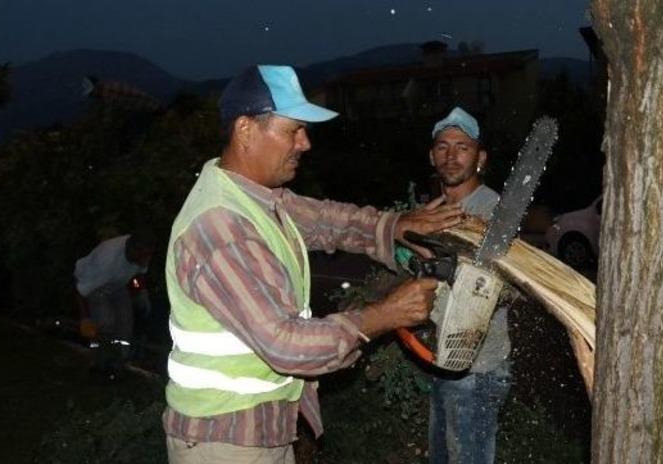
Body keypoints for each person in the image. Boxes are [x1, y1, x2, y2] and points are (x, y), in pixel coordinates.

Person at [162, 64, 464, 463]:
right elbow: (286, 345)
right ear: (246, 130)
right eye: (293, 130)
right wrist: (384, 315)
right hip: (224, 442)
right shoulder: (221, 229)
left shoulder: (257, 197)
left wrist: (394, 227)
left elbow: (326, 220)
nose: (305, 143)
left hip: (257, 432)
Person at [426, 107, 512, 464]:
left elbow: (513, 288)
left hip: (478, 368)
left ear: (480, 157)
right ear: (432, 156)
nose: (451, 155)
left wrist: (463, 274)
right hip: (440, 361)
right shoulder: (430, 212)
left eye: (462, 146)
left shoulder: (494, 211)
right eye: (443, 146)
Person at [74, 232, 154, 378]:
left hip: (118, 284)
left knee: (125, 322)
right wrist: (84, 319)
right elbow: (81, 290)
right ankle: (98, 363)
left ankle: (119, 362)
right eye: (143, 256)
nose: (146, 260)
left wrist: (141, 292)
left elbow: (138, 274)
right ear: (132, 251)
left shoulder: (141, 253)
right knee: (105, 322)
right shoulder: (106, 261)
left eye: (148, 255)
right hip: (95, 285)